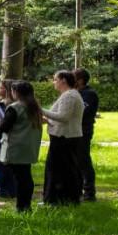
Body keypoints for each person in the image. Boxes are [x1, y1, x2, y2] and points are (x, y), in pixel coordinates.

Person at [0, 81, 43, 212]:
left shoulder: (15, 107)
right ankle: (26, 205)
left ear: (16, 92)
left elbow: (5, 127)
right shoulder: (35, 106)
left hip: (17, 145)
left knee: (20, 178)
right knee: (25, 176)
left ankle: (21, 206)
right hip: (30, 145)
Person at [42, 70, 84, 205]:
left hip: (65, 137)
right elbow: (61, 116)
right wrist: (47, 119)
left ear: (63, 80)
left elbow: (63, 117)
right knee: (61, 169)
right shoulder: (68, 95)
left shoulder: (69, 96)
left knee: (59, 170)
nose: (54, 82)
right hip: (64, 136)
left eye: (55, 79)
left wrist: (40, 110)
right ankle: (60, 198)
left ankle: (58, 199)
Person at [74, 68, 99, 201]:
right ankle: (77, 189)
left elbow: (82, 112)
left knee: (83, 160)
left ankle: (89, 192)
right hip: (76, 130)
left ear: (81, 80)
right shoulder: (77, 93)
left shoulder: (89, 94)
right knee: (77, 161)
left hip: (84, 130)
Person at [0, 79, 17, 199]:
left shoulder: (6, 104)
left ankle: (5, 191)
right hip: (4, 137)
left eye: (1, 88)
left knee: (3, 165)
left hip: (4, 137)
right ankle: (9, 190)